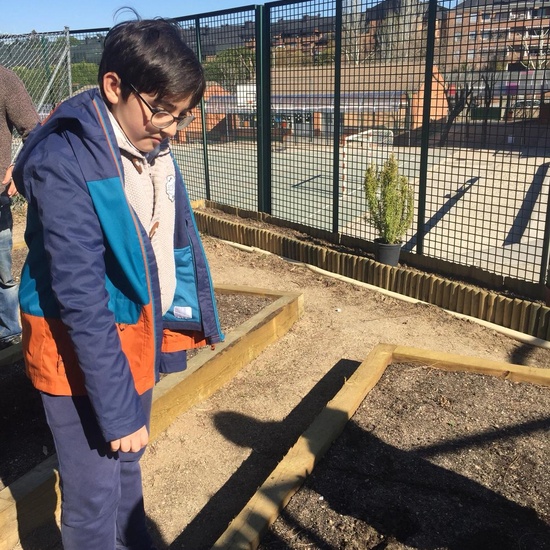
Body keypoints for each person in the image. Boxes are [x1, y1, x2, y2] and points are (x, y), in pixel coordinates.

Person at [13, 18, 223, 550]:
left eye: (182, 115)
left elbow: (165, 247)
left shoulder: (148, 141)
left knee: (127, 476)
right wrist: (116, 409)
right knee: (92, 503)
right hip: (77, 351)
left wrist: (168, 334)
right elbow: (81, 299)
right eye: (162, 112)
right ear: (114, 87)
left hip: (133, 333)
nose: (172, 128)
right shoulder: (65, 162)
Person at [0, 65, 39, 348]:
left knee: (2, 275)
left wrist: (18, 168)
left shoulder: (4, 79)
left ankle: (9, 334)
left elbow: (35, 131)